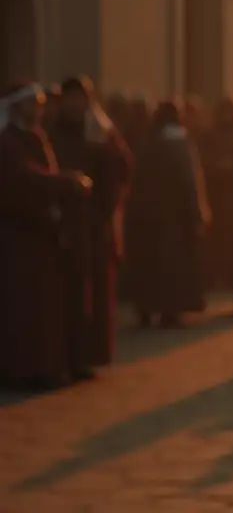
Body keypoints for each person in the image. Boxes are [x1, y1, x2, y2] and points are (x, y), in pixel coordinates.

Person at [0, 82, 91, 389]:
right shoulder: (7, 142)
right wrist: (66, 182)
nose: (38, 109)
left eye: (40, 104)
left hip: (43, 234)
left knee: (47, 306)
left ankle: (48, 366)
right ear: (16, 106)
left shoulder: (37, 137)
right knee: (24, 306)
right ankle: (24, 370)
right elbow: (23, 179)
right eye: (32, 104)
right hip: (18, 236)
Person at [48, 76, 132, 376]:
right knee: (62, 294)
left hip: (94, 224)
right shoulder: (50, 131)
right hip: (59, 224)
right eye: (69, 98)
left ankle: (86, 358)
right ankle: (63, 357)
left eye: (79, 98)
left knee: (92, 293)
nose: (74, 104)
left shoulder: (101, 131)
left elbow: (123, 168)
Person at [125, 100, 210, 328]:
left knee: (148, 262)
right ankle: (169, 310)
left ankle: (146, 308)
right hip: (175, 216)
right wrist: (198, 212)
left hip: (146, 214)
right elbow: (190, 180)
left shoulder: (146, 142)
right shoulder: (180, 143)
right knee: (172, 264)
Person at [198, 98, 233, 291]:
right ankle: (215, 275)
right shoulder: (210, 135)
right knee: (216, 237)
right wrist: (217, 165)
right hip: (216, 194)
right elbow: (201, 159)